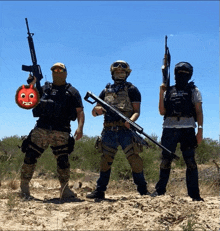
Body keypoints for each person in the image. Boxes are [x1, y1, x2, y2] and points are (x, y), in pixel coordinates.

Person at [86, 60, 150, 199]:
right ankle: (100, 191)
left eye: (122, 72)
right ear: (112, 73)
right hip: (108, 131)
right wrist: (97, 110)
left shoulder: (132, 89)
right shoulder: (105, 90)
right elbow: (94, 112)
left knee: (134, 160)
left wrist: (130, 121)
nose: (119, 74)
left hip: (126, 131)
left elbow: (136, 111)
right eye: (117, 72)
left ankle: (143, 191)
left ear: (127, 73)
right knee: (105, 161)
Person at [20, 62, 85, 199]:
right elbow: (28, 100)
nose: (57, 73)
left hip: (61, 131)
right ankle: (24, 188)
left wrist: (80, 128)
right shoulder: (44, 88)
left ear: (65, 73)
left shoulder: (72, 92)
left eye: (60, 71)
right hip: (41, 128)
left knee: (63, 160)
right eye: (54, 71)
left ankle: (65, 189)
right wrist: (31, 84)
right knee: (30, 156)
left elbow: (80, 111)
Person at [151, 61, 204, 201]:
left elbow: (199, 111)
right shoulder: (168, 90)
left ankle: (194, 195)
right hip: (169, 129)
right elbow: (162, 112)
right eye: (180, 73)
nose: (182, 76)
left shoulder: (194, 90)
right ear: (174, 74)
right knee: (165, 161)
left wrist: (200, 130)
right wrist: (161, 92)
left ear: (190, 75)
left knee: (190, 161)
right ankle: (160, 190)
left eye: (185, 74)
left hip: (188, 129)